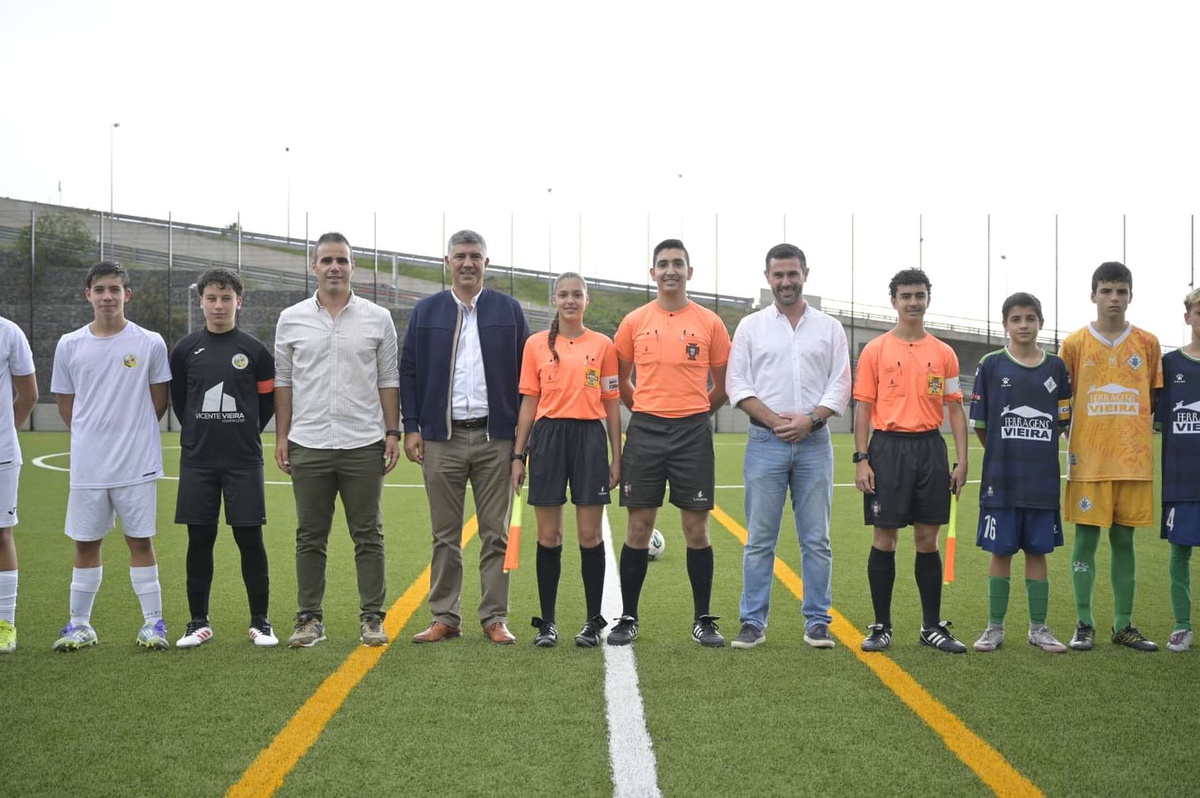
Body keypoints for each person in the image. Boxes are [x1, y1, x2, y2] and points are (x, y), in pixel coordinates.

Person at [401, 230, 530, 645]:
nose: (468, 263)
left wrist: (520, 446)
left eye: (475, 256)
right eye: (460, 256)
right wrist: (412, 427)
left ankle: (494, 618)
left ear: (486, 263)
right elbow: (409, 372)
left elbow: (528, 379)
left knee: (496, 533)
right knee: (445, 535)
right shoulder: (426, 311)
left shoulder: (509, 310)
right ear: (447, 261)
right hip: (443, 439)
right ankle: (445, 616)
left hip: (497, 440)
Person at [274, 232, 400, 649]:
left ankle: (372, 617)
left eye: (341, 260)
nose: (334, 267)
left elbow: (388, 380)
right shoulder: (291, 318)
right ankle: (309, 618)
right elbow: (284, 382)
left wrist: (391, 432)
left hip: (362, 442)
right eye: (326, 260)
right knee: (310, 535)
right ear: (314, 267)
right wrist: (281, 437)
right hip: (308, 442)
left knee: (368, 534)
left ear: (352, 267)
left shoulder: (377, 318)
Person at [606, 239, 732, 648]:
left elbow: (725, 385)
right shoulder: (634, 321)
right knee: (639, 526)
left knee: (696, 528)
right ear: (653, 273)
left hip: (693, 433)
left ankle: (703, 619)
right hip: (645, 431)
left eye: (678, 264)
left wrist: (695, 413)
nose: (670, 270)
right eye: (663, 264)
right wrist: (644, 409)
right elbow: (621, 381)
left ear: (690, 272)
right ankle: (628, 616)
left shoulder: (710, 323)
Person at [726, 244, 850, 650]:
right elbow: (738, 383)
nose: (785, 282)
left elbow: (841, 383)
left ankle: (817, 621)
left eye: (792, 274)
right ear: (767, 278)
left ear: (805, 274)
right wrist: (776, 421)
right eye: (777, 275)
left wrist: (811, 419)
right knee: (760, 538)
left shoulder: (829, 328)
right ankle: (752, 622)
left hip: (815, 443)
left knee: (817, 539)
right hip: (766, 442)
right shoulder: (750, 327)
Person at [50, 261, 172, 652]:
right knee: (86, 544)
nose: (107, 296)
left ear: (126, 295)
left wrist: (127, 434)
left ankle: (154, 624)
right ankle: (79, 625)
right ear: (88, 295)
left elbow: (158, 402)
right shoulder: (69, 344)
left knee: (140, 540)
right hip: (88, 466)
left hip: (136, 463)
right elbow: (67, 407)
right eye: (100, 289)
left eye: (114, 289)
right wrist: (94, 437)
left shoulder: (149, 342)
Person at [853, 268, 969, 654]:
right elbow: (863, 408)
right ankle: (881, 626)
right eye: (906, 296)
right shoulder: (876, 350)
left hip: (930, 450)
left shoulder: (944, 353)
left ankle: (931, 625)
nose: (913, 302)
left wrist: (962, 460)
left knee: (927, 539)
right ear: (894, 302)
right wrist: (861, 459)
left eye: (919, 295)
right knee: (884, 539)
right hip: (887, 449)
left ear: (928, 299)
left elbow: (954, 410)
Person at [510, 272, 622, 648]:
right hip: (548, 439)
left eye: (577, 294)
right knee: (549, 535)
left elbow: (611, 402)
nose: (570, 300)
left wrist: (616, 455)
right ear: (554, 300)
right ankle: (548, 623)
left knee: (590, 536)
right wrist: (517, 454)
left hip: (589, 439)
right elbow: (529, 401)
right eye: (563, 294)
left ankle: (593, 621)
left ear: (587, 300)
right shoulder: (535, 345)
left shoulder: (603, 345)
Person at [170, 269, 277, 648]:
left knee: (250, 539)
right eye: (212, 298)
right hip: (198, 461)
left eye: (226, 298)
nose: (219, 305)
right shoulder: (184, 350)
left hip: (243, 461)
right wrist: (202, 430)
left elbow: (265, 404)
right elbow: (181, 401)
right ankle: (198, 622)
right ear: (201, 301)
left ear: (239, 302)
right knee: (199, 540)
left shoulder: (255, 352)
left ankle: (260, 622)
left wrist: (243, 429)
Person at [1059, 261, 1161, 652]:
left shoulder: (1148, 344)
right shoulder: (1074, 344)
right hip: (1089, 461)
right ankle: (1084, 622)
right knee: (1085, 541)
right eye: (1107, 291)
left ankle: (1124, 624)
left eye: (1121, 291)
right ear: (1093, 295)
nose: (1114, 298)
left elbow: (1151, 399)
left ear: (1130, 295)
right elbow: (1063, 402)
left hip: (1133, 463)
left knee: (1124, 541)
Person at [968, 293, 1072, 654]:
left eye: (1030, 318)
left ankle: (1038, 628)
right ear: (1005, 325)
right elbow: (981, 426)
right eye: (1016, 319)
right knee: (1001, 551)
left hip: (1042, 481)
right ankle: (994, 627)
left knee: (1037, 551)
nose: (1023, 325)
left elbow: (1062, 421)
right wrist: (1004, 452)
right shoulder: (991, 364)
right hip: (1002, 479)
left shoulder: (1056, 368)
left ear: (1040, 322)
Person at [1156, 287, 1200, 653]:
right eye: (1199, 311)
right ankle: (1182, 626)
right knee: (1180, 553)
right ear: (1187, 317)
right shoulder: (1170, 365)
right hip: (1183, 479)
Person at [0, 315, 37, 654]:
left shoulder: (8, 333)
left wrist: (5, 433)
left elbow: (28, 395)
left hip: (1, 455)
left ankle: (4, 624)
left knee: (1, 533)